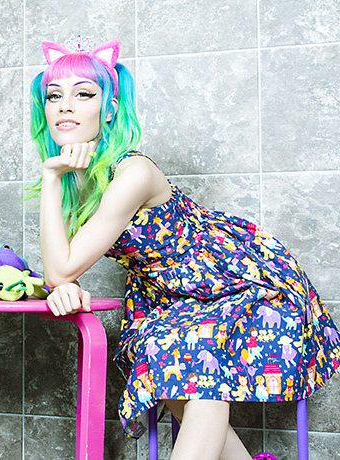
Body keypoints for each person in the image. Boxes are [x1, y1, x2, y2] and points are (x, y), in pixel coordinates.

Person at [26, 38, 340, 460]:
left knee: (193, 356)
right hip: (172, 300)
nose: (65, 106)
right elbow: (61, 268)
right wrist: (52, 180)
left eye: (83, 94)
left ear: (110, 108)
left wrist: (63, 275)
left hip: (239, 282)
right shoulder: (74, 175)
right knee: (166, 357)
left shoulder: (133, 172)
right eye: (54, 96)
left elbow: (62, 266)